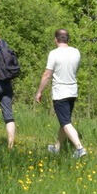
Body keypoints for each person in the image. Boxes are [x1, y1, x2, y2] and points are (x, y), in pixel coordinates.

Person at [35, 28, 86, 158]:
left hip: (60, 93)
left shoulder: (54, 54)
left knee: (65, 122)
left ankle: (79, 148)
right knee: (65, 120)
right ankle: (57, 147)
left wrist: (39, 91)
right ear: (68, 39)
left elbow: (47, 75)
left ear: (55, 39)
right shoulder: (76, 52)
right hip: (72, 91)